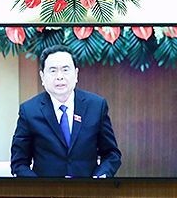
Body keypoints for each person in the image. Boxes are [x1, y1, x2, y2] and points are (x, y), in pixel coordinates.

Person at [10, 45, 121, 178]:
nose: (59, 77)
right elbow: (19, 162)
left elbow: (111, 154)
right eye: (53, 71)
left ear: (76, 74)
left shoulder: (96, 106)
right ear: (42, 77)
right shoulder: (29, 111)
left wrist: (99, 178)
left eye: (65, 69)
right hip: (46, 194)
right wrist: (38, 187)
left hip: (88, 191)